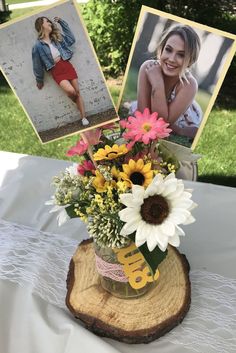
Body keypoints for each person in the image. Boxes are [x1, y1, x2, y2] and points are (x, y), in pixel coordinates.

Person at [137, 25, 202, 139]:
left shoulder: (189, 84)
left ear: (190, 60)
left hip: (183, 117)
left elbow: (160, 126)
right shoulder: (148, 68)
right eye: (168, 50)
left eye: (181, 55)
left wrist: (157, 83)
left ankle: (181, 130)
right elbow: (142, 118)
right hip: (158, 115)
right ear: (161, 49)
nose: (171, 59)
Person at [32, 16, 89, 126]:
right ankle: (81, 110)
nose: (49, 23)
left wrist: (62, 22)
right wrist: (39, 80)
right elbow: (37, 64)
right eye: (47, 21)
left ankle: (83, 118)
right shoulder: (37, 46)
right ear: (41, 26)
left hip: (67, 65)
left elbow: (71, 40)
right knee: (72, 92)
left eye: (49, 21)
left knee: (77, 92)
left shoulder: (56, 38)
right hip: (56, 71)